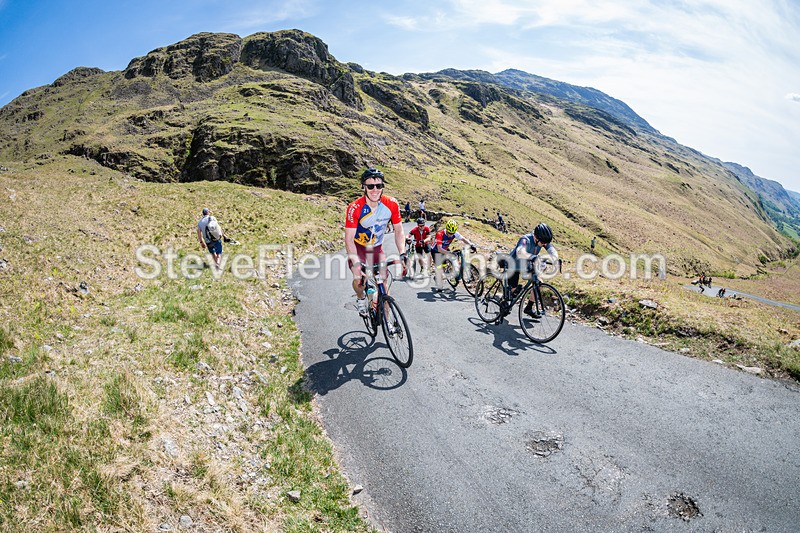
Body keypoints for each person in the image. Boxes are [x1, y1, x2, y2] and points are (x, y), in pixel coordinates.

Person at [345, 168, 407, 316]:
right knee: (359, 279)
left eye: (378, 186)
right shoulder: (355, 207)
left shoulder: (391, 204)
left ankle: (388, 324)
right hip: (358, 247)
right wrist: (356, 262)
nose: (375, 190)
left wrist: (403, 253)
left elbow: (399, 231)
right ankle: (360, 298)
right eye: (370, 186)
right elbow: (348, 238)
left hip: (376, 248)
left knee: (384, 283)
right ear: (363, 187)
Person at [505, 223, 559, 317]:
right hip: (513, 264)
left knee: (538, 284)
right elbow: (520, 252)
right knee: (514, 291)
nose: (544, 245)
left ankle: (529, 308)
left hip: (526, 264)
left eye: (545, 243)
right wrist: (533, 257)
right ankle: (506, 299)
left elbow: (552, 250)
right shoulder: (525, 239)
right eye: (543, 243)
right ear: (536, 237)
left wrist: (555, 259)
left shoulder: (542, 240)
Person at [431, 219, 476, 292]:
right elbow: (439, 249)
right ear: (447, 229)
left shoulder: (455, 233)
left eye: (452, 233)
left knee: (445, 266)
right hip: (436, 251)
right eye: (449, 233)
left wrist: (471, 244)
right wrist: (450, 253)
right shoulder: (440, 234)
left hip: (445, 249)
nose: (450, 235)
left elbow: (463, 239)